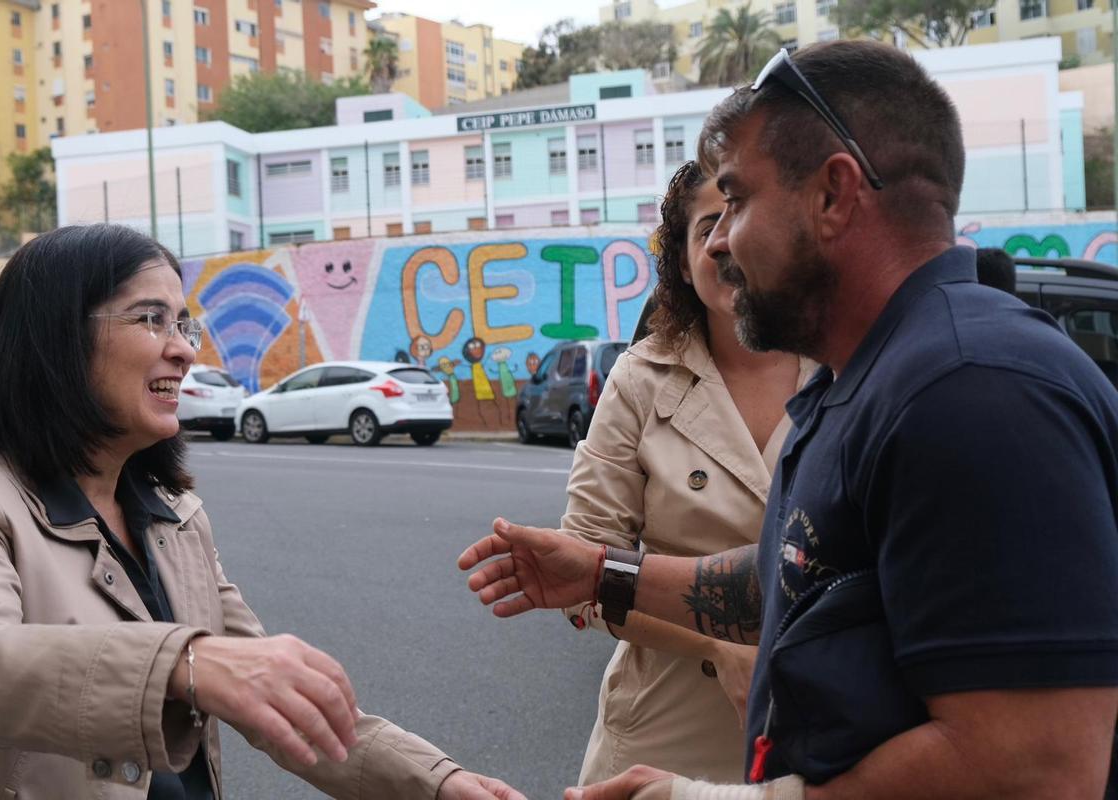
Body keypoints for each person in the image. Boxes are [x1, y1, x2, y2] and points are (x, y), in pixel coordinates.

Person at [460, 40, 1118, 800]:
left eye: (737, 200)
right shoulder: (862, 377)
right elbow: (799, 575)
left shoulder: (971, 391)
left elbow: (1032, 767)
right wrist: (606, 571)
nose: (724, 242)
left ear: (834, 196)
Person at [0, 224, 523, 800]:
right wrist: (188, 663)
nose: (183, 350)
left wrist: (438, 784)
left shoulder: (175, 517)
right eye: (152, 319)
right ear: (56, 339)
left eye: (184, 324)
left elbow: (279, 702)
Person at [502, 160, 814, 785]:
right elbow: (583, 577)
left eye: (746, 214)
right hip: (664, 729)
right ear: (680, 258)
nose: (727, 240)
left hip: (823, 724)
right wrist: (718, 647)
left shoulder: (847, 367)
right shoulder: (640, 379)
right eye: (706, 227)